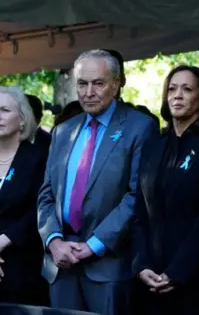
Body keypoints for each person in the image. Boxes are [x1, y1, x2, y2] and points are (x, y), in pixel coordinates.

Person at [37, 49, 157, 314]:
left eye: (98, 83)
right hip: (60, 265)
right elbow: (46, 193)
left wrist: (93, 245)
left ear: (116, 84)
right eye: (82, 83)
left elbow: (136, 195)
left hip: (108, 266)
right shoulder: (62, 131)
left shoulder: (140, 127)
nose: (88, 92)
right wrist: (54, 241)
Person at [132, 65, 199, 314]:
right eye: (172, 89)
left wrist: (178, 271)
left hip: (195, 276)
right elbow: (140, 211)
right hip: (150, 275)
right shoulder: (154, 145)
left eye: (187, 89)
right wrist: (142, 264)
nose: (177, 95)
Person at [0, 87, 49, 305]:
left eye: (4, 110)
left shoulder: (38, 158)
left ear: (22, 120)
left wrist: (1, 241)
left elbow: (38, 209)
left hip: (20, 262)